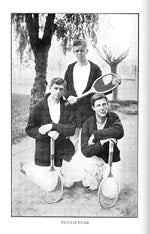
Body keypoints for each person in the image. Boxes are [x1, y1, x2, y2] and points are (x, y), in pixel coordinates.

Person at [61, 39, 121, 187]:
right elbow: (64, 87)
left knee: (88, 146)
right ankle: (71, 175)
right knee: (72, 145)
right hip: (72, 116)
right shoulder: (70, 68)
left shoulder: (95, 69)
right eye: (76, 51)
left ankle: (90, 177)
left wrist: (113, 84)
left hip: (88, 115)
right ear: (74, 52)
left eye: (82, 50)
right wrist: (68, 96)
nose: (79, 53)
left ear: (87, 50)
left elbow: (101, 89)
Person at [21, 78, 76, 188]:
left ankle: (59, 172)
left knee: (69, 184)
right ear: (50, 88)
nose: (58, 92)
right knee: (49, 187)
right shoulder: (39, 106)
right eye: (55, 88)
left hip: (62, 151)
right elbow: (30, 129)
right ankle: (28, 169)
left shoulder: (67, 106)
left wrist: (53, 127)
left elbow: (71, 129)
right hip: (45, 152)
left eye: (61, 89)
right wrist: (46, 134)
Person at [81, 93, 124, 190]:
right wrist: (102, 141)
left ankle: (104, 175)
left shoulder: (113, 117)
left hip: (111, 158)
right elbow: (85, 150)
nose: (102, 108)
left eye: (104, 104)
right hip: (95, 159)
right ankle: (95, 175)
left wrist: (96, 134)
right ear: (93, 108)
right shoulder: (87, 123)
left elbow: (119, 131)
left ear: (107, 105)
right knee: (87, 163)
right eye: (98, 105)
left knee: (111, 194)